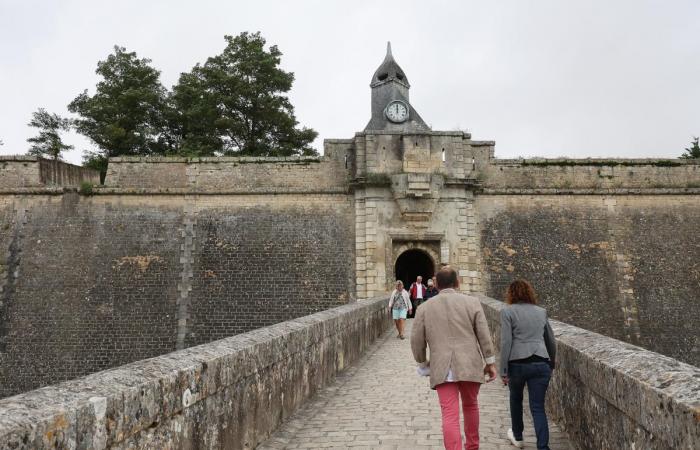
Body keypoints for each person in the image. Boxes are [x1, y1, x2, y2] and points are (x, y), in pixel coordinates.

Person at [411, 266, 497, 450]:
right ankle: (472, 446)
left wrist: (423, 363)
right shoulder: (472, 303)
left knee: (449, 414)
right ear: (457, 282)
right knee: (471, 406)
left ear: (436, 284)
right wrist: (490, 363)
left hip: (442, 366)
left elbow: (416, 340)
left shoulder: (424, 308)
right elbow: (484, 335)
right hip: (470, 363)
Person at [500, 279, 557, 450]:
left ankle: (518, 436)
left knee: (516, 399)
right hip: (541, 362)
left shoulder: (507, 312)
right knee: (538, 407)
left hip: (517, 364)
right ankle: (543, 446)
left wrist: (504, 370)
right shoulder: (541, 312)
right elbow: (551, 341)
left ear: (511, 294)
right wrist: (551, 362)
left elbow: (506, 343)